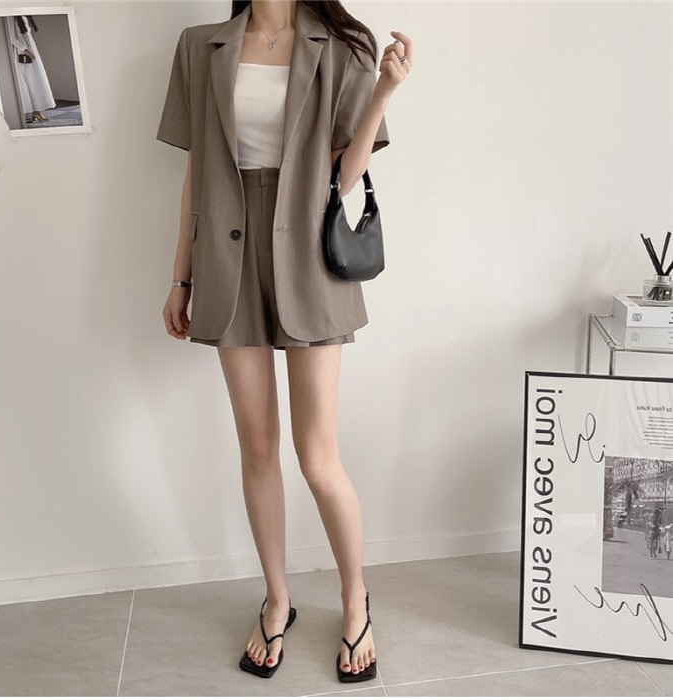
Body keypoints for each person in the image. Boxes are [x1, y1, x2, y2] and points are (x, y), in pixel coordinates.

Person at [156, 0, 411, 683]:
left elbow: (343, 177)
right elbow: (195, 176)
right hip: (227, 256)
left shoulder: (345, 47)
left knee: (318, 458)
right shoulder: (200, 46)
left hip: (310, 258)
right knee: (258, 448)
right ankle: (277, 599)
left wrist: (385, 92)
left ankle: (355, 600)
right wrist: (181, 277)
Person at [7, 15, 56, 124]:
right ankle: (34, 112)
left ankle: (36, 111)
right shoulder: (11, 17)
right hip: (23, 53)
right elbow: (12, 38)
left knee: (36, 81)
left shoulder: (24, 15)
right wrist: (26, 50)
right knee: (30, 81)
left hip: (30, 49)